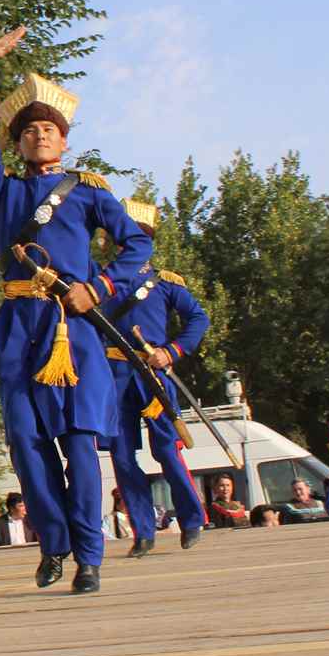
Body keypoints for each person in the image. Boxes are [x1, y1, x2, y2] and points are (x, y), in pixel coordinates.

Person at [0, 30, 153, 596]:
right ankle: (53, 544)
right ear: (19, 145)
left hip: (74, 327)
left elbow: (137, 246)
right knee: (26, 444)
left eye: (49, 129)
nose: (39, 135)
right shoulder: (3, 193)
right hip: (19, 327)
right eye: (29, 131)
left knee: (77, 443)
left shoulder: (89, 193)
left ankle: (89, 558)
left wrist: (99, 287)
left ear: (65, 142)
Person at [99, 198, 212, 558]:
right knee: (122, 457)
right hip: (114, 377)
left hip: (153, 374)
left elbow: (199, 319)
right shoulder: (99, 282)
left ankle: (191, 520)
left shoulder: (164, 282)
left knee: (166, 449)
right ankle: (143, 532)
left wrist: (172, 352)